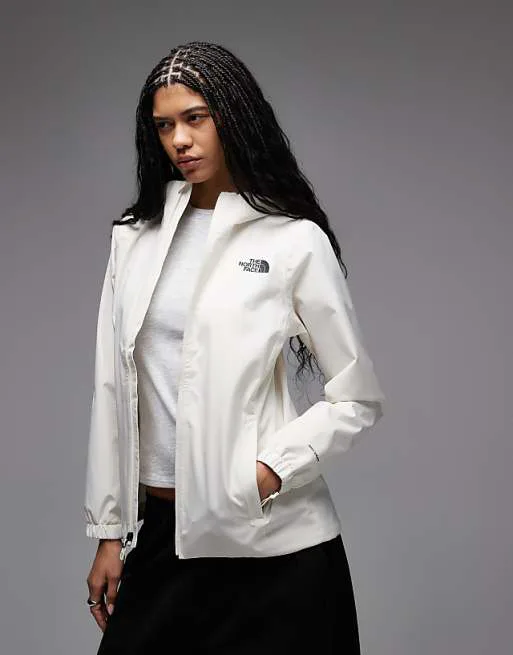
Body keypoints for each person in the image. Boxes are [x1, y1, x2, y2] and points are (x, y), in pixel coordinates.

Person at [84, 40, 385, 654]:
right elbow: (112, 389)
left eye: (195, 118)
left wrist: (269, 471)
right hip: (162, 538)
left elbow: (356, 396)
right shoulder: (133, 240)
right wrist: (110, 531)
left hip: (275, 547)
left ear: (233, 116)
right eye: (164, 125)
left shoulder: (292, 240)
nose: (180, 140)